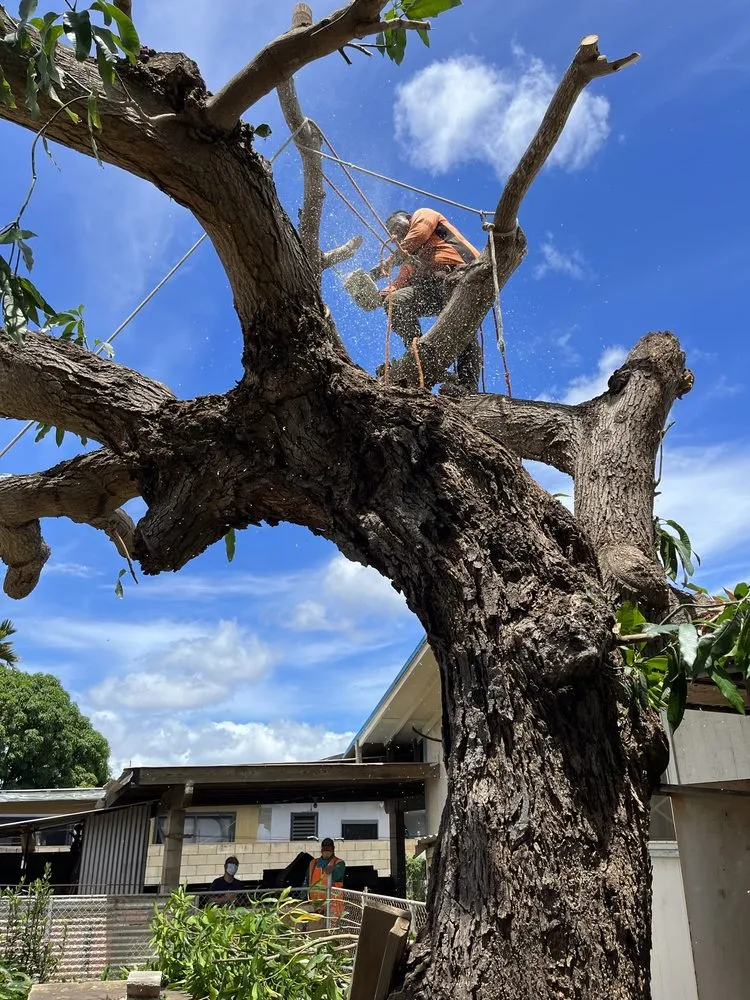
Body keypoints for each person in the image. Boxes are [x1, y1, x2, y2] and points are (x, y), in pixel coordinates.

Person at [369, 207, 482, 393]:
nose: (394, 234)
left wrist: (383, 266)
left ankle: (467, 385)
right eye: (391, 232)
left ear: (407, 218)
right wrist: (375, 295)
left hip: (463, 274)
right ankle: (420, 356)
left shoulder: (423, 215)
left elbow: (419, 234)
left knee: (463, 325)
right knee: (394, 301)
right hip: (436, 289)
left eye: (396, 227)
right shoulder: (411, 258)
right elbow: (397, 284)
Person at [303, 838, 345, 921]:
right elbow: (306, 881)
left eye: (329, 849)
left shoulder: (339, 863)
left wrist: (332, 869)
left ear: (333, 849)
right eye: (325, 848)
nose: (327, 851)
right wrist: (303, 898)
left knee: (333, 930)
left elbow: (337, 875)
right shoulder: (313, 863)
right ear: (321, 849)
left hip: (332, 905)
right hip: (315, 905)